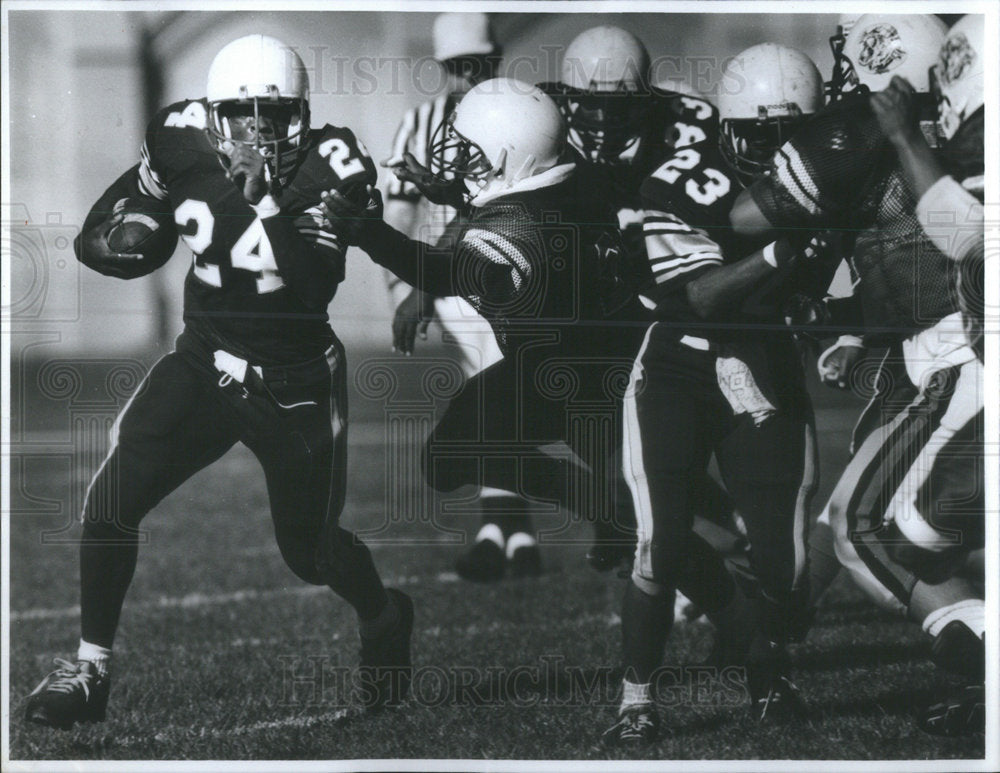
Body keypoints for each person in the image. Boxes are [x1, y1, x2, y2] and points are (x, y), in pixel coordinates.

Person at [24, 34, 413, 731]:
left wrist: (262, 202)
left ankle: (385, 614)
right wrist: (115, 235)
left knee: (310, 551)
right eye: (243, 113)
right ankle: (89, 669)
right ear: (213, 113)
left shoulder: (333, 164)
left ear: (301, 112)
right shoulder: (179, 135)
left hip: (295, 381)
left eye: (275, 114)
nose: (258, 131)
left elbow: (315, 283)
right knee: (110, 499)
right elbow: (123, 203)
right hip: (205, 360)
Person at [730, 13, 985, 737]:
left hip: (949, 357)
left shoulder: (872, 134)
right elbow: (892, 253)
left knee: (868, 525)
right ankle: (770, 641)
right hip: (919, 352)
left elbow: (749, 217)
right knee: (851, 515)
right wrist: (847, 323)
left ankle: (977, 649)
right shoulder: (954, 133)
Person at [324, 76, 651, 597]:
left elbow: (441, 272)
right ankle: (621, 511)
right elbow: (520, 191)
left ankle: (621, 515)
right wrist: (451, 190)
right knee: (660, 491)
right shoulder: (575, 179)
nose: (459, 159)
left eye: (471, 151)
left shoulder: (512, 230)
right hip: (599, 354)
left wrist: (368, 233)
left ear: (511, 153)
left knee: (452, 456)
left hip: (561, 374)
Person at [602, 44, 830, 745]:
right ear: (730, 129)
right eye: (763, 136)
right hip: (679, 364)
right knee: (661, 541)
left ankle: (768, 666)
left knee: (784, 562)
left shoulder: (831, 175)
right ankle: (637, 698)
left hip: (764, 362)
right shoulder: (678, 182)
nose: (781, 152)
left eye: (794, 135)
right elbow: (700, 295)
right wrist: (783, 251)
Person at [382, 13, 546, 582]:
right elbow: (400, 215)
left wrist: (414, 292)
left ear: (495, 60)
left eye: (474, 65)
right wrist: (406, 288)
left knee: (498, 397)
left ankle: (509, 528)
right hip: (456, 284)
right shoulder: (422, 124)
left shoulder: (525, 112)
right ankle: (508, 527)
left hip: (516, 273)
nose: (465, 78)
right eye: (456, 67)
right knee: (496, 391)